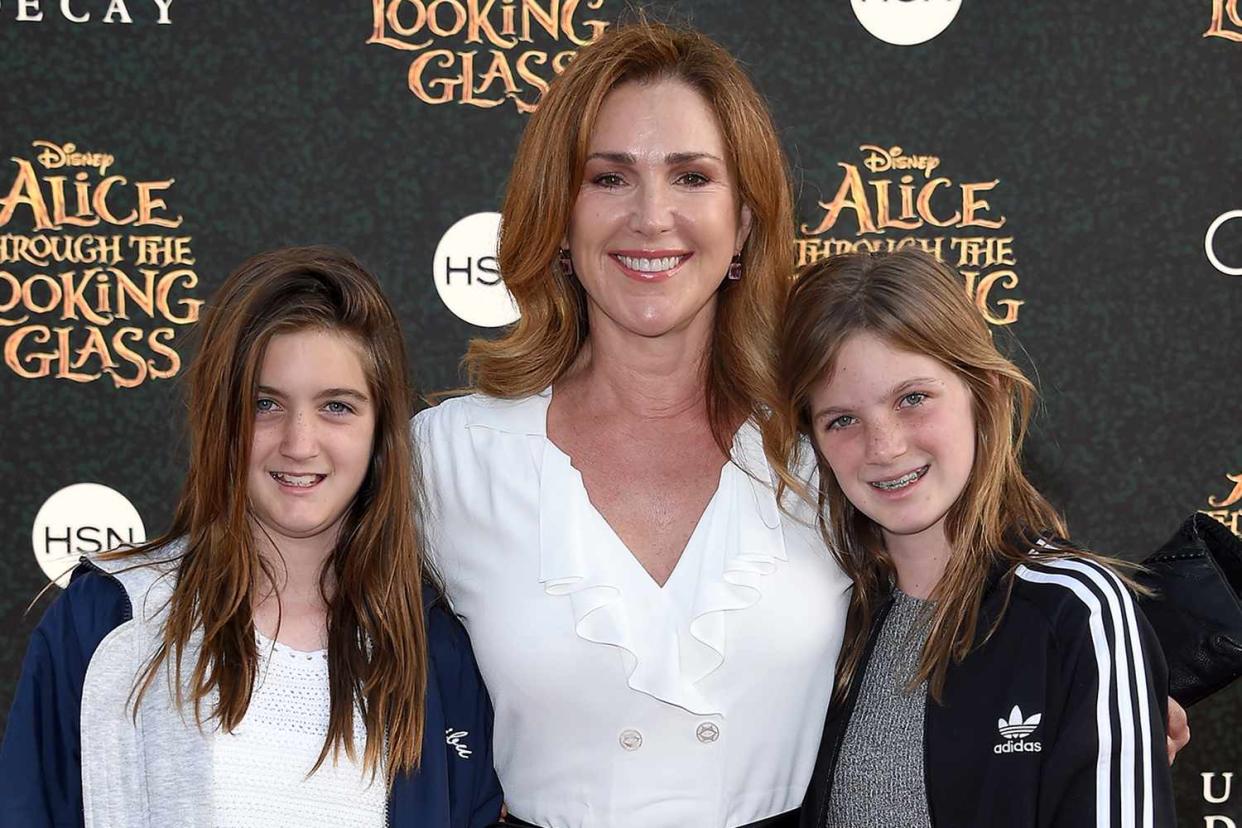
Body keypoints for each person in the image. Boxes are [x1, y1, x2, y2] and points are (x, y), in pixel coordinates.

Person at [414, 20, 852, 828]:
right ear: (560, 217)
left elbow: (970, 604)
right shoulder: (451, 459)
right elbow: (285, 622)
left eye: (692, 177)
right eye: (610, 179)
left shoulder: (828, 445)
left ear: (745, 223)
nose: (652, 217)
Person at [0, 247, 502, 828]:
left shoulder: (433, 647)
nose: (298, 442)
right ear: (221, 419)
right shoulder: (106, 619)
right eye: (265, 404)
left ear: (379, 432)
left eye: (337, 407)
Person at [767, 250, 1176, 827]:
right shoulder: (817, 624)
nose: (884, 446)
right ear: (812, 441)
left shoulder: (1074, 611)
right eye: (842, 419)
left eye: (912, 399)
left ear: (982, 393)